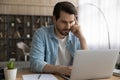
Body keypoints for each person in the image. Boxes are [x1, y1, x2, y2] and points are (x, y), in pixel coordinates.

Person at [30, 1, 87, 76]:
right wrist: (59, 69)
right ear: (54, 19)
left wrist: (82, 38)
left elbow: (85, 62)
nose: (68, 26)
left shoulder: (76, 35)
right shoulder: (41, 34)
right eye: (64, 22)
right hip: (50, 77)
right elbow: (35, 63)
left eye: (71, 22)